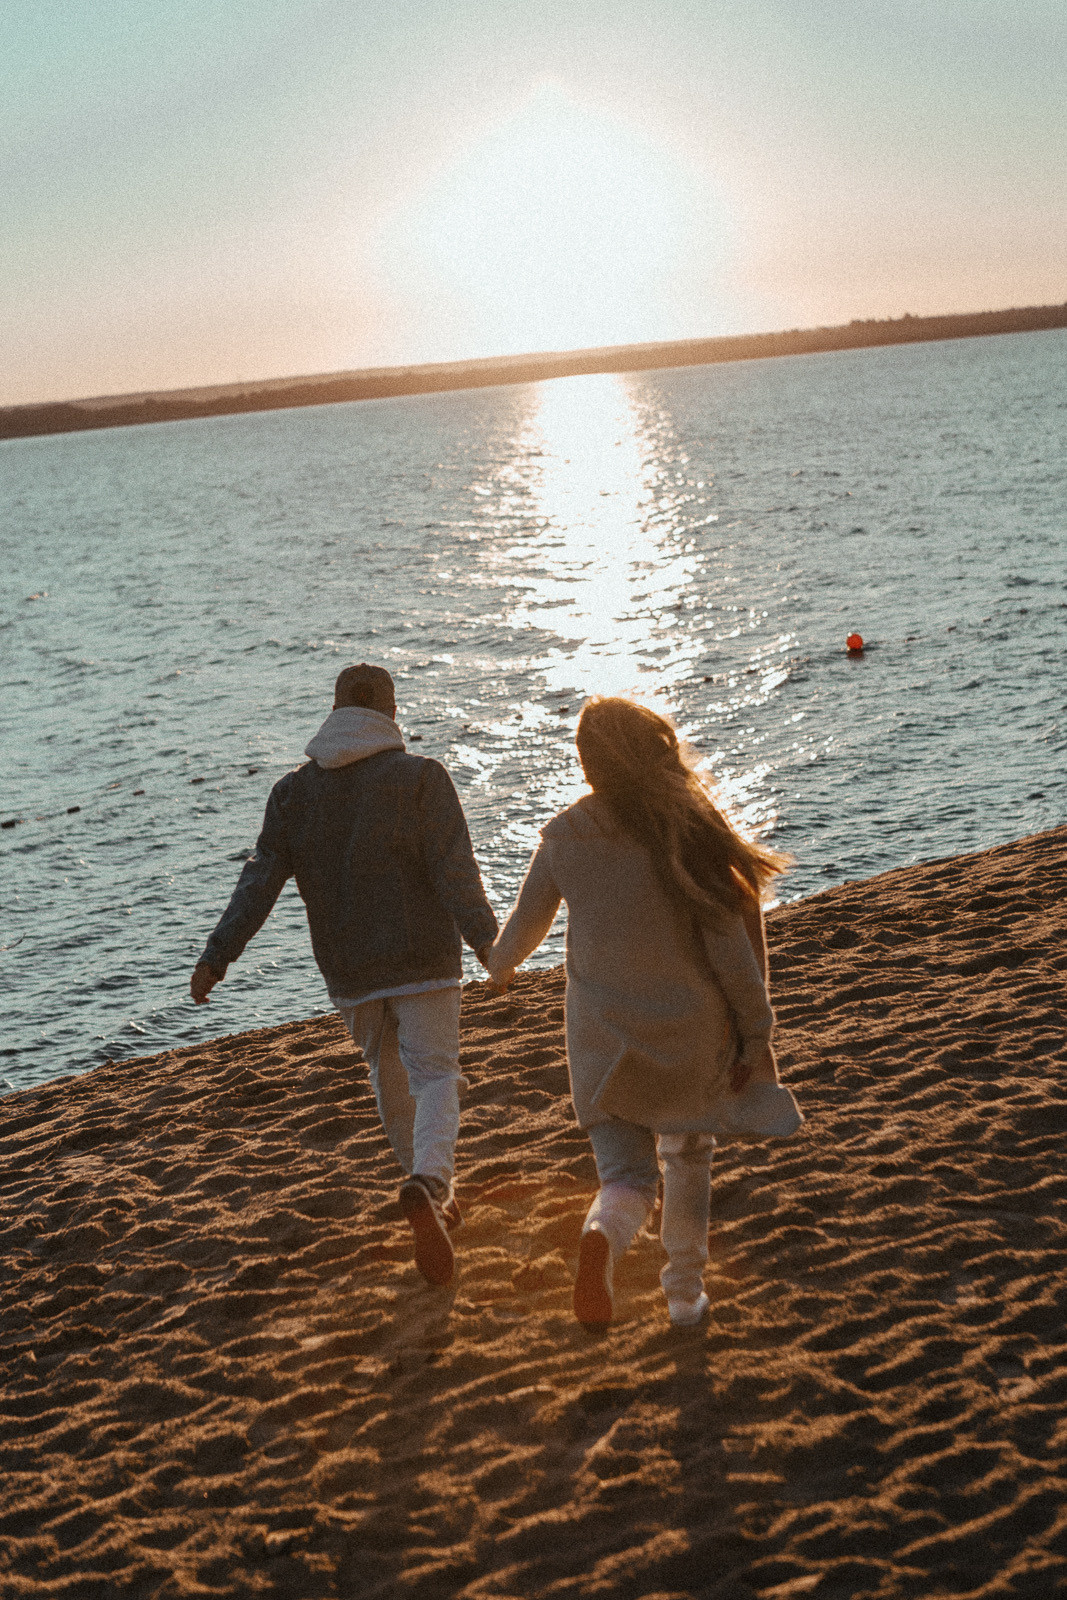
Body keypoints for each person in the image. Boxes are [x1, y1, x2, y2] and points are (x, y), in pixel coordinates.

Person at [486, 696, 801, 1330]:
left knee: (625, 1176)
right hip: (686, 1033)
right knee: (687, 1157)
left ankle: (603, 1233)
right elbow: (729, 945)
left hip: (602, 1041)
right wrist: (755, 1032)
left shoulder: (561, 838)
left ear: (585, 764)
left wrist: (494, 964)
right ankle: (683, 1295)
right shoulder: (680, 831)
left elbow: (522, 931)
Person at [190, 664, 498, 1287]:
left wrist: (216, 954)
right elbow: (456, 872)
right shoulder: (420, 778)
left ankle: (427, 1186)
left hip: (349, 969)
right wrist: (492, 946)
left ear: (333, 713)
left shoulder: (292, 793)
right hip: (423, 960)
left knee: (387, 1072)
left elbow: (260, 881)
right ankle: (433, 1183)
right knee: (437, 1073)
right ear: (389, 712)